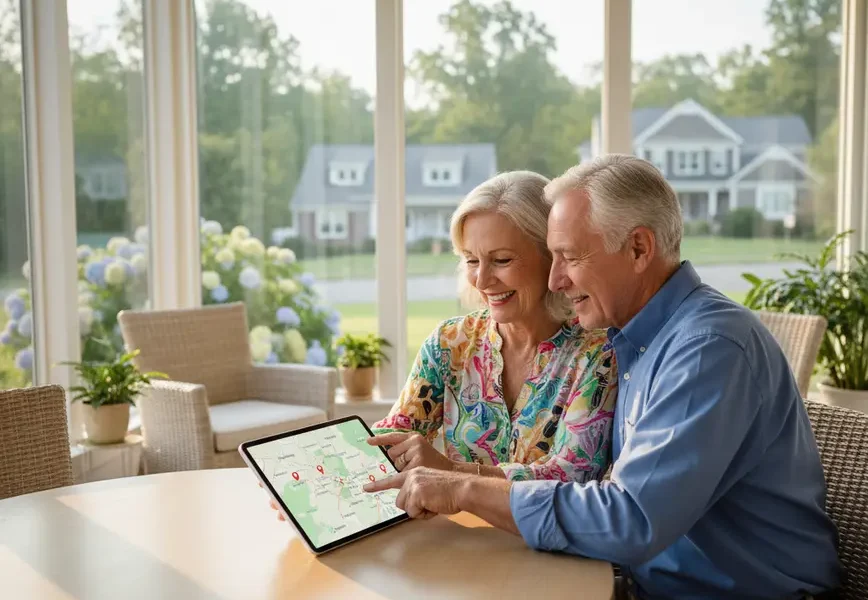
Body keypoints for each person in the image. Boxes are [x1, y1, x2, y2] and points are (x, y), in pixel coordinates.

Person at [365, 155, 840, 599]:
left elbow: (630, 519)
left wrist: (462, 485)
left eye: (569, 257)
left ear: (638, 248)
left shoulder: (706, 350)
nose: (555, 281)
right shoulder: (635, 340)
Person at [367, 170, 618, 483]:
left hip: (538, 534)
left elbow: (572, 475)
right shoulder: (450, 342)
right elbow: (395, 434)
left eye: (501, 260)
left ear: (552, 258)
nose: (482, 280)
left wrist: (452, 473)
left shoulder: (599, 353)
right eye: (472, 260)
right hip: (456, 531)